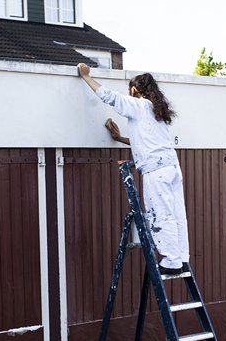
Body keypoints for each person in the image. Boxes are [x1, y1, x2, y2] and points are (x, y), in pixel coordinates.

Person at [77, 63, 190, 275]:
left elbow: (109, 97)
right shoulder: (157, 111)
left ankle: (172, 260)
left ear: (135, 90)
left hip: (156, 171)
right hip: (171, 167)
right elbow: (146, 142)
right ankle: (181, 256)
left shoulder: (138, 105)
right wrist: (119, 138)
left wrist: (86, 76)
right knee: (176, 213)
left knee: (160, 213)